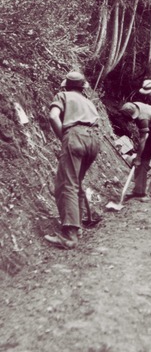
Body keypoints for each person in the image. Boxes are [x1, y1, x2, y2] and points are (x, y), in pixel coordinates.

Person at [44, 71, 100, 249]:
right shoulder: (89, 102)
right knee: (77, 182)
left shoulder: (62, 95)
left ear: (67, 86)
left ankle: (70, 236)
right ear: (83, 87)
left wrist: (63, 138)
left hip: (75, 137)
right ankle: (78, 226)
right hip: (94, 140)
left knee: (66, 184)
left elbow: (53, 116)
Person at [120, 101, 151, 202]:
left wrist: (137, 157)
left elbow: (143, 139)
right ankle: (139, 190)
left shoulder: (142, 118)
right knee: (144, 158)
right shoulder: (134, 106)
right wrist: (139, 157)